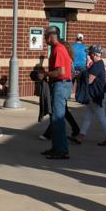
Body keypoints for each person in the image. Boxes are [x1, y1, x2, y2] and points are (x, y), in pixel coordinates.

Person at [41, 26, 73, 160]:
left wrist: (45, 74)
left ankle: (61, 150)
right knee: (55, 117)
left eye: (45, 37)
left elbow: (61, 72)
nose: (44, 40)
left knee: (58, 119)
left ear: (50, 36)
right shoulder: (57, 49)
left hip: (60, 85)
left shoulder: (58, 49)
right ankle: (56, 147)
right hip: (59, 85)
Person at [73, 44, 106, 146]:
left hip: (98, 95)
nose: (89, 55)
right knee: (88, 116)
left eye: (90, 53)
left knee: (101, 116)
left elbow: (89, 80)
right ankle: (80, 137)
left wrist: (80, 76)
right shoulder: (97, 64)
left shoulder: (97, 65)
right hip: (95, 94)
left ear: (95, 54)